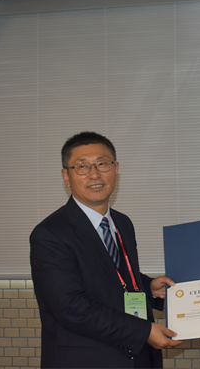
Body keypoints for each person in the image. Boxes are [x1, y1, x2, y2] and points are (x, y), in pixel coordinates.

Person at [30, 131, 181, 368]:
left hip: (138, 359)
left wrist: (149, 287)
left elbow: (114, 278)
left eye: (102, 164)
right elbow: (71, 308)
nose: (94, 174)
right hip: (87, 360)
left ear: (115, 169)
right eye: (82, 166)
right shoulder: (50, 234)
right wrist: (143, 332)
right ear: (66, 176)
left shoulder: (123, 223)